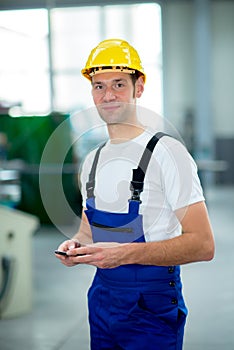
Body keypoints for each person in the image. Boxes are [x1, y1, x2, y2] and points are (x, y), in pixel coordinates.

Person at [55, 38, 215, 350]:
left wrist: (123, 255)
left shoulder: (168, 153)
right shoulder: (93, 161)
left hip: (150, 307)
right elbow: (89, 230)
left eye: (118, 84)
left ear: (138, 87)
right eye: (99, 86)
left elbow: (203, 244)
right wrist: (75, 246)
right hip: (102, 300)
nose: (108, 95)